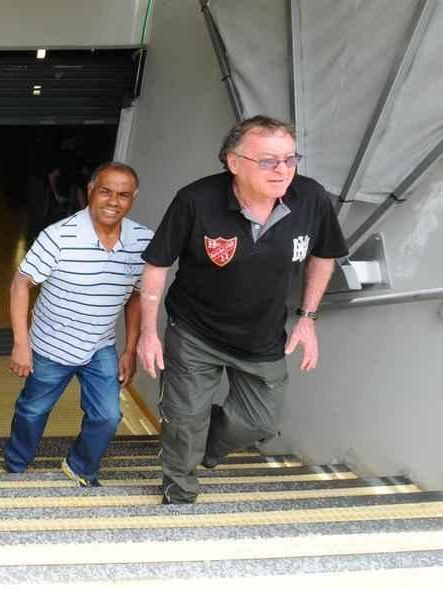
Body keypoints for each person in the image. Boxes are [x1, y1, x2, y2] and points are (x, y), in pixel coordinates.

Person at [136, 115, 347, 504]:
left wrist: (308, 318)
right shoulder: (195, 200)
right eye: (268, 160)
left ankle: (201, 449)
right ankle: (178, 494)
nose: (282, 170)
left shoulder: (311, 198)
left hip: (263, 336)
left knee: (260, 422)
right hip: (195, 331)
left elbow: (324, 255)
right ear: (233, 162)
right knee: (184, 418)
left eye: (290, 158)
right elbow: (158, 265)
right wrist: (149, 333)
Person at [4, 162, 152, 485]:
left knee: (109, 416)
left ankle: (80, 465)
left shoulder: (143, 241)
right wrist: (20, 342)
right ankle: (16, 465)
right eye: (105, 191)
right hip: (50, 345)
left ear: (134, 198)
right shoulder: (59, 236)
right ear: (90, 192)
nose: (113, 201)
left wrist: (129, 349)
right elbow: (20, 284)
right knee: (32, 411)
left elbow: (137, 296)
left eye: (123, 195)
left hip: (100, 346)